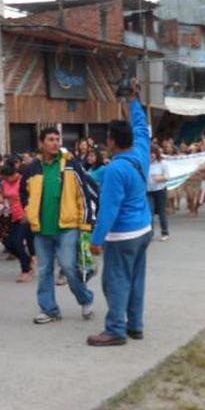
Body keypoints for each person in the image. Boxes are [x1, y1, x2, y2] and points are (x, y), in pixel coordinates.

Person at [87, 89, 152, 347]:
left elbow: (109, 209)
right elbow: (141, 126)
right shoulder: (141, 153)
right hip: (143, 229)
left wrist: (96, 239)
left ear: (112, 141)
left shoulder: (115, 168)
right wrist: (134, 101)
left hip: (122, 234)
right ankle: (135, 325)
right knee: (136, 278)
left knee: (115, 281)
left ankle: (115, 329)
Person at [21, 128, 96, 324]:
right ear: (41, 143)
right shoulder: (32, 168)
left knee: (69, 267)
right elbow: (24, 194)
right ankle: (49, 309)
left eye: (57, 139)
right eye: (50, 139)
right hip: (41, 230)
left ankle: (85, 298)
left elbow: (84, 194)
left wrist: (87, 223)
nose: (55, 142)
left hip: (67, 227)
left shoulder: (71, 164)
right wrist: (30, 213)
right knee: (44, 270)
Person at [0, 161, 33, 282]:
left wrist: (29, 213)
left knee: (18, 242)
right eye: (5, 178)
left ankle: (25, 269)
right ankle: (27, 260)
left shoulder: (24, 180)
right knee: (8, 243)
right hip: (13, 216)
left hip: (25, 216)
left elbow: (32, 197)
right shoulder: (4, 182)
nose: (7, 179)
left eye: (9, 177)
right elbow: (1, 194)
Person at [147, 147, 170, 241]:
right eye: (149, 153)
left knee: (161, 212)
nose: (151, 155)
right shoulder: (145, 164)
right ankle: (150, 233)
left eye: (152, 153)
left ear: (156, 154)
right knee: (149, 212)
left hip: (160, 190)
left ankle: (165, 232)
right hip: (148, 191)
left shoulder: (162, 163)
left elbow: (167, 176)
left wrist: (158, 178)